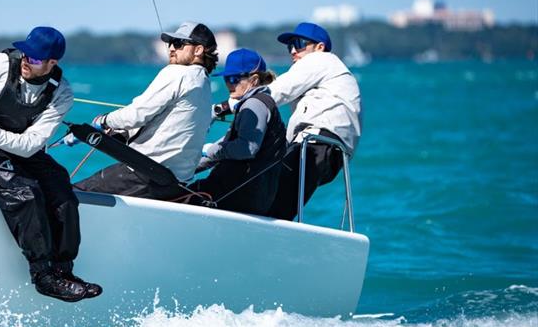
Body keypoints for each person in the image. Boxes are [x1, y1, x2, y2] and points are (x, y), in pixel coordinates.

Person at [0, 26, 101, 303]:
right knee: (25, 193)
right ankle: (42, 275)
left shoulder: (61, 94)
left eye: (36, 59)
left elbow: (28, 146)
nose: (27, 61)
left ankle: (64, 270)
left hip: (10, 145)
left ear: (53, 63)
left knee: (62, 190)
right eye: (25, 54)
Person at [73, 21, 217, 199]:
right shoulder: (204, 84)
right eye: (170, 43)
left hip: (144, 174)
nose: (172, 48)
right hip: (177, 182)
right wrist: (123, 133)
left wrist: (103, 121)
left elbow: (136, 115)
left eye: (179, 44)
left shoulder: (178, 73)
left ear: (198, 50)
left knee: (70, 194)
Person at [267, 22, 362, 220]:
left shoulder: (322, 60)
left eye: (300, 43)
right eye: (289, 46)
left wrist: (232, 105)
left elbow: (276, 92)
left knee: (272, 204)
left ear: (319, 47)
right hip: (329, 151)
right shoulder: (330, 73)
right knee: (274, 199)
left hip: (317, 144)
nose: (293, 50)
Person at [193, 48, 287, 215]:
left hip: (238, 195)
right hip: (249, 195)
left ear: (254, 80)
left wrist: (213, 151)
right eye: (226, 78)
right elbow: (224, 147)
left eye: (235, 78)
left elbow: (247, 148)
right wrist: (188, 169)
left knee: (177, 195)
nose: (229, 84)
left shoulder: (254, 105)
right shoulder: (257, 102)